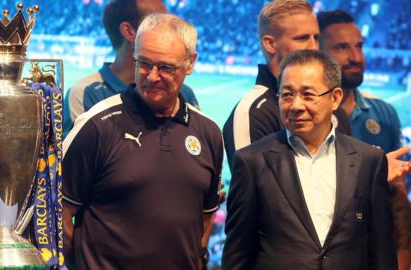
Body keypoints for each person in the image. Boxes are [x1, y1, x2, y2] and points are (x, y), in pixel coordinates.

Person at [62, 13, 223, 269]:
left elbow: (205, 218)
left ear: (190, 63)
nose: (152, 76)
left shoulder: (209, 133)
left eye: (166, 67)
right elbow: (59, 216)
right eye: (144, 63)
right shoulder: (96, 126)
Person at [222, 49, 397, 270]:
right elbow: (238, 253)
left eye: (307, 94)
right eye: (287, 95)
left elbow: (381, 250)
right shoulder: (252, 161)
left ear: (335, 99)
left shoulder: (369, 160)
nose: (295, 105)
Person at [318, 10, 411, 269]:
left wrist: (403, 257)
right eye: (342, 47)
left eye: (359, 46)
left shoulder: (384, 114)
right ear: (318, 51)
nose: (355, 57)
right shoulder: (305, 118)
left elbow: (398, 197)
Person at [222, 0, 351, 170]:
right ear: (270, 44)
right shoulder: (252, 113)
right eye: (302, 38)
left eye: (316, 38)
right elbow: (255, 190)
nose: (313, 46)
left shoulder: (331, 104)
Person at [63, 0, 199, 136]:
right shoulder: (86, 94)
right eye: (156, 21)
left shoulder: (183, 93)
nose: (169, 27)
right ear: (129, 31)